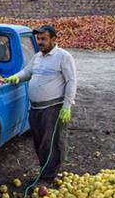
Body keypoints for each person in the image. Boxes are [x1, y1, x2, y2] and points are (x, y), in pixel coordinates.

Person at [6, 25, 77, 186]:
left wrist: (67, 106)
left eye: (44, 39)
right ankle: (45, 173)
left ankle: (48, 177)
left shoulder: (63, 57)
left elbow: (71, 82)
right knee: (39, 142)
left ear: (54, 39)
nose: (40, 42)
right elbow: (27, 72)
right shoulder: (38, 57)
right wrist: (16, 77)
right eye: (38, 39)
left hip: (53, 108)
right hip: (36, 108)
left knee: (51, 143)